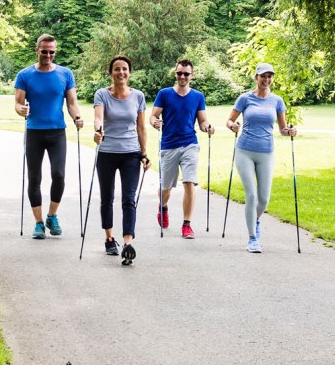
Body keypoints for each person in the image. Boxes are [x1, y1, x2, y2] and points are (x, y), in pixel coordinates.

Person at [13, 34, 84, 240]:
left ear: (55, 52)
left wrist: (77, 117)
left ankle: (52, 215)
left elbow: (71, 103)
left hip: (56, 132)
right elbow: (18, 103)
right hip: (34, 131)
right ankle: (38, 223)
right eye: (44, 51)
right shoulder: (25, 75)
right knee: (34, 177)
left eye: (51, 52)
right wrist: (21, 110)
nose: (48, 55)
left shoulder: (65, 74)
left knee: (59, 175)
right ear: (37, 50)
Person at [226, 63, 298, 253]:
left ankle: (255, 220)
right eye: (263, 76)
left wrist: (290, 131)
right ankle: (252, 238)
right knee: (251, 194)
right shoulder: (245, 98)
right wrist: (232, 125)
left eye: (270, 76)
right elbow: (229, 120)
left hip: (266, 152)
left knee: (264, 199)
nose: (266, 80)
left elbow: (282, 129)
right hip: (245, 151)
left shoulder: (277, 101)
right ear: (256, 77)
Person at [91, 55, 150, 265]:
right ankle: (109, 238)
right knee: (107, 197)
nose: (121, 73)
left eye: (124, 69)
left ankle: (127, 243)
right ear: (111, 73)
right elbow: (98, 117)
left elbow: (141, 127)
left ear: (129, 72)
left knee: (129, 199)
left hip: (131, 153)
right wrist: (98, 130)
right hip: (107, 152)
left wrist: (144, 153)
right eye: (117, 69)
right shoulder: (101, 94)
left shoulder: (138, 96)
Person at [150, 58, 215, 239]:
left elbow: (202, 121)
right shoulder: (164, 94)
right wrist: (155, 122)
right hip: (169, 145)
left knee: (189, 182)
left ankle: (187, 224)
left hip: (190, 144)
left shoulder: (197, 96)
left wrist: (207, 128)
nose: (182, 76)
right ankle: (163, 207)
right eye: (179, 73)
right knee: (166, 188)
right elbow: (153, 115)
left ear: (192, 76)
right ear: (175, 73)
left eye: (186, 74)